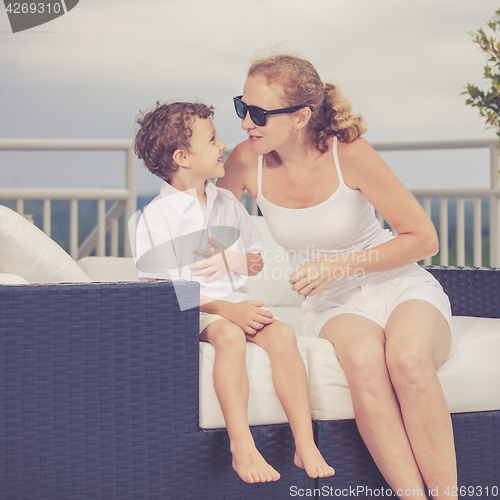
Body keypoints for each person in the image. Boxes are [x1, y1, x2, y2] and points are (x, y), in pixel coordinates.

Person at [218, 54, 457, 499]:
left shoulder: (349, 154)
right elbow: (207, 234)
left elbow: (424, 238)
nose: (246, 122)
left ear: (302, 117)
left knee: (407, 359)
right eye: (241, 106)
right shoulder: (246, 161)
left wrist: (338, 265)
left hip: (398, 284)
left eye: (259, 113)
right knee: (366, 362)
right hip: (334, 304)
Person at [132, 101, 335, 484]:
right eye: (212, 140)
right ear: (182, 157)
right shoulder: (156, 219)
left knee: (283, 335)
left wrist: (234, 262)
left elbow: (256, 260)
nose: (223, 143)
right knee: (228, 335)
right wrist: (225, 310)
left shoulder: (226, 202)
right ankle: (242, 446)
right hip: (195, 311)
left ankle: (304, 443)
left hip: (235, 303)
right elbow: (165, 294)